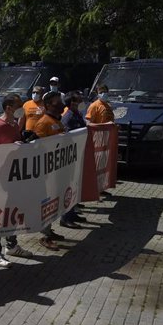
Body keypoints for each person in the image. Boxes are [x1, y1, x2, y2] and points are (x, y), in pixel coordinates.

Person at [0, 94, 33, 268]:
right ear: (8, 108)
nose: (21, 108)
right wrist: (11, 148)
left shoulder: (14, 124)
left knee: (13, 212)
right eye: (18, 105)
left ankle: (11, 246)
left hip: (14, 175)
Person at [33, 91, 67, 250]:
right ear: (47, 105)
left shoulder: (57, 121)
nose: (60, 104)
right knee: (46, 203)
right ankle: (45, 236)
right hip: (47, 172)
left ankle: (49, 230)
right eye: (56, 102)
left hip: (57, 170)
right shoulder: (43, 123)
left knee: (54, 202)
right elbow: (38, 147)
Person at [59, 91, 88, 229]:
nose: (80, 103)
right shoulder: (68, 117)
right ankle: (65, 218)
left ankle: (72, 213)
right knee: (69, 187)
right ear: (72, 103)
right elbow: (66, 137)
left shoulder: (77, 115)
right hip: (70, 158)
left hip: (78, 155)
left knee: (76, 185)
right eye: (77, 101)